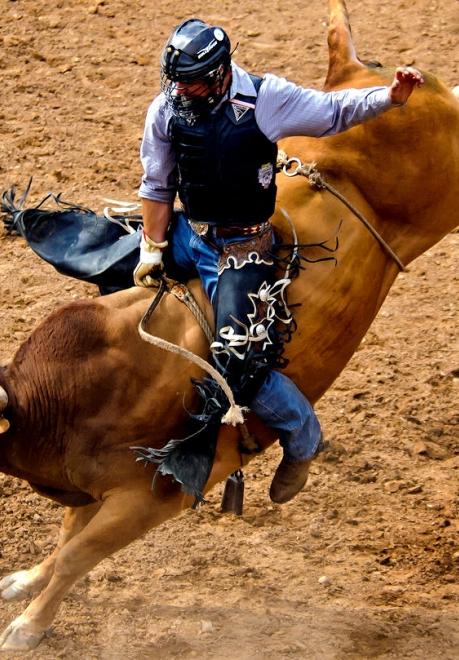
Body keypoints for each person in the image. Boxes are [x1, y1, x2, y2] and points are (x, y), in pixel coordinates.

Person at [134, 19, 423, 503]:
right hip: (190, 233)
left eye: (193, 80)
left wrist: (389, 98)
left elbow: (333, 112)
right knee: (104, 251)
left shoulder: (264, 99)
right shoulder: (167, 108)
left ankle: (302, 436)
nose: (181, 90)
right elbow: (156, 185)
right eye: (176, 80)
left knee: (237, 357)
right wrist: (151, 246)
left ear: (221, 73)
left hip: (241, 250)